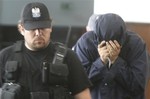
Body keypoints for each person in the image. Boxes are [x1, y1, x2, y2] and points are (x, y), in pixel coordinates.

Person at [0, 2, 92, 99]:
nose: (38, 33)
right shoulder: (5, 57)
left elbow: (83, 96)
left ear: (50, 27)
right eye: (33, 28)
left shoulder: (69, 57)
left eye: (43, 28)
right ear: (22, 29)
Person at [73, 13, 149, 99]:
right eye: (105, 44)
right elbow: (79, 84)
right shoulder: (85, 43)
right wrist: (101, 62)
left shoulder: (135, 44)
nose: (109, 48)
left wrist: (116, 61)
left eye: (114, 43)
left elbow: (138, 85)